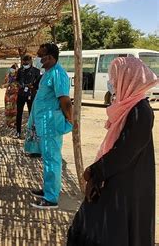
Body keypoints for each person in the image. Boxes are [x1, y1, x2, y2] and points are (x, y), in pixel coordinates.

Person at [67, 57, 158, 245]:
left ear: (128, 78)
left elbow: (124, 152)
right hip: (118, 177)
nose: (112, 82)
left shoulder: (140, 110)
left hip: (127, 181)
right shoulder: (129, 107)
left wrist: (95, 171)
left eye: (115, 78)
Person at [25, 43, 73, 209]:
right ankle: (47, 189)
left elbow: (65, 100)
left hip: (51, 124)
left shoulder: (58, 74)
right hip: (44, 124)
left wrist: (71, 120)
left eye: (41, 56)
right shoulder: (48, 73)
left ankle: (51, 198)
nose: (38, 59)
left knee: (52, 159)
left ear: (51, 57)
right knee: (47, 159)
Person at [15, 55, 41, 138]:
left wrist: (32, 86)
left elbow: (38, 84)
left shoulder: (36, 71)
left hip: (31, 94)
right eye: (24, 62)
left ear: (31, 62)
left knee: (31, 114)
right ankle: (18, 131)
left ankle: (32, 132)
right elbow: (17, 80)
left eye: (27, 63)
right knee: (19, 113)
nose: (25, 64)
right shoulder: (20, 70)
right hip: (21, 94)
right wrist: (19, 84)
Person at [2, 64, 19, 128]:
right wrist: (6, 85)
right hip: (7, 95)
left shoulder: (18, 76)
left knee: (14, 108)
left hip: (15, 94)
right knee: (7, 108)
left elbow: (19, 85)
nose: (12, 70)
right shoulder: (7, 76)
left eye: (14, 69)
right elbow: (3, 84)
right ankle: (8, 123)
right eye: (11, 68)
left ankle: (14, 122)